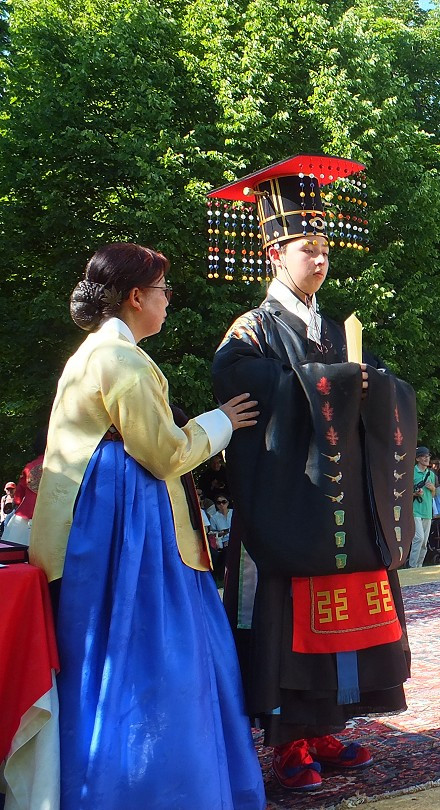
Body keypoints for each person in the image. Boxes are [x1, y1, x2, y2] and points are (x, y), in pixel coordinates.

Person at [29, 243, 264, 808]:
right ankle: (164, 788)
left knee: (101, 655)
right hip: (127, 530)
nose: (167, 301)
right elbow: (162, 454)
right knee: (156, 652)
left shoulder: (90, 353)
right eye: (163, 291)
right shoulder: (125, 361)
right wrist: (222, 422)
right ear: (136, 297)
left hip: (89, 527)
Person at [210, 156, 415, 791]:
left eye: (325, 248)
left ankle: (329, 727)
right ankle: (288, 742)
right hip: (289, 503)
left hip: (346, 504)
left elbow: (382, 390)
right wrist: (335, 386)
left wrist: (371, 388)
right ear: (275, 252)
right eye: (307, 248)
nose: (320, 259)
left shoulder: (335, 327)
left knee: (348, 609)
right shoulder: (249, 332)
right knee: (286, 616)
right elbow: (245, 387)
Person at [2, 430, 46, 547]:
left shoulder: (30, 466)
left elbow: (18, 498)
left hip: (25, 517)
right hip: (54, 517)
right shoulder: (65, 467)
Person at [410, 447, 437, 567]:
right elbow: (403, 493)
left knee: (424, 542)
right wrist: (414, 494)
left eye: (428, 456)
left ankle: (419, 566)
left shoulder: (431, 474)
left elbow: (432, 495)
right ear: (417, 458)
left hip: (427, 510)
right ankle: (412, 565)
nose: (427, 458)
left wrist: (433, 489)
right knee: (419, 538)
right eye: (424, 456)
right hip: (415, 510)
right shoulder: (411, 472)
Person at [207, 493, 234, 571]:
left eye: (224, 502)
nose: (221, 504)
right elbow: (212, 532)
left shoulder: (234, 513)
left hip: (235, 539)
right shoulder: (214, 517)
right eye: (219, 503)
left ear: (228, 502)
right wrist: (221, 533)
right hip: (222, 541)